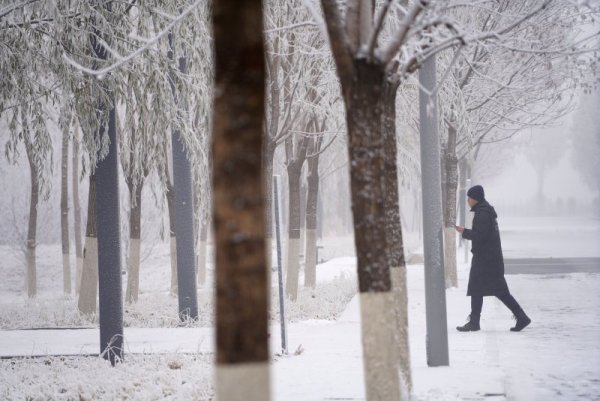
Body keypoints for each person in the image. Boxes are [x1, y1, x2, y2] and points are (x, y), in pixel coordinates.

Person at [455, 185, 531, 332]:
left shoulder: (482, 213)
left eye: (469, 198)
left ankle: (521, 317)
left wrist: (464, 232)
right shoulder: (485, 211)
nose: (468, 201)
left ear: (475, 198)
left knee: (496, 291)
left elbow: (480, 236)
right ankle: (476, 322)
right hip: (489, 259)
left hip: (487, 261)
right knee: (480, 289)